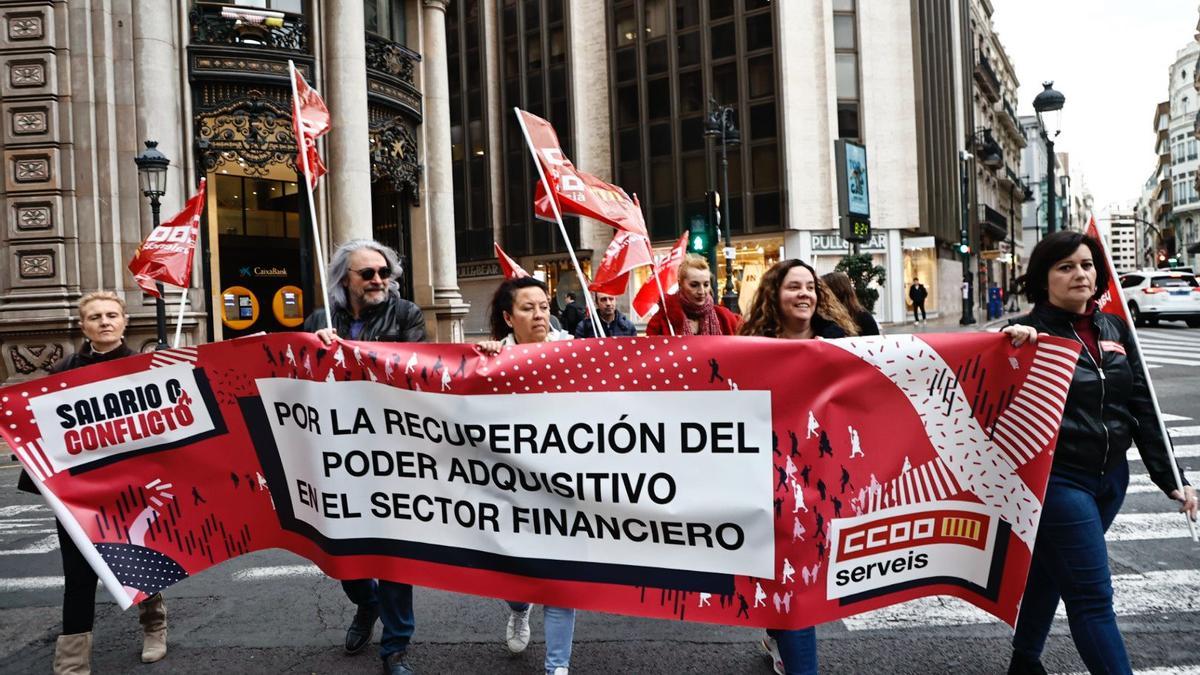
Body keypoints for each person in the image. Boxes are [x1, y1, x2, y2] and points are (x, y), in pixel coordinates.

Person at [1000, 230, 1196, 675]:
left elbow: (1142, 406)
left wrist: (1174, 478)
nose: (1079, 274)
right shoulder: (1027, 336)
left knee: (1052, 571)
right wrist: (1014, 350)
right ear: (1043, 278)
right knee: (1091, 597)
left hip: (1111, 480)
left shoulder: (1115, 328)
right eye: (1065, 267)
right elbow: (990, 395)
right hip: (1057, 482)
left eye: (1086, 265)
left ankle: (1024, 660)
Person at [15, 292, 168, 674]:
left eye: (112, 315)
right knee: (79, 574)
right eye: (96, 316)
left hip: (129, 487)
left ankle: (154, 626)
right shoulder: (64, 370)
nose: (104, 321)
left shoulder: (142, 367)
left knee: (136, 561)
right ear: (83, 326)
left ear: (124, 321)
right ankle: (72, 659)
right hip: (79, 492)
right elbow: (40, 427)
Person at [303, 239, 424, 675]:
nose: (379, 280)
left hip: (390, 452)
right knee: (340, 547)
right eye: (367, 273)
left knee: (392, 551)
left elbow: (415, 372)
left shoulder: (406, 314)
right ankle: (366, 603)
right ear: (344, 280)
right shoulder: (320, 320)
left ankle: (396, 647)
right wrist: (312, 348)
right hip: (336, 453)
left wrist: (355, 357)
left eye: (384, 272)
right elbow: (297, 377)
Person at [736, 259, 856, 675]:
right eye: (793, 287)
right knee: (788, 579)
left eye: (810, 287)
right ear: (775, 294)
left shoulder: (840, 342)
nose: (804, 294)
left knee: (792, 575)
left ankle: (777, 626)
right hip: (764, 475)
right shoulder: (749, 345)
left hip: (819, 476)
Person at [477, 277, 576, 675]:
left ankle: (558, 667)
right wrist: (484, 360)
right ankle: (519, 609)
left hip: (562, 487)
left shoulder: (572, 350)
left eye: (543, 306)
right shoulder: (492, 358)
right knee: (516, 578)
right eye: (527, 308)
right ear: (508, 317)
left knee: (560, 581)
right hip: (510, 489)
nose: (539, 315)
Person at [646, 254, 741, 336]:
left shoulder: (725, 317)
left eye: (706, 284)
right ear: (681, 284)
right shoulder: (661, 320)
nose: (701, 291)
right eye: (694, 285)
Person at [821, 271, 879, 336]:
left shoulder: (863, 317)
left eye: (824, 291)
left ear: (836, 292)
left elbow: (875, 343)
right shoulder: (822, 317)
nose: (821, 295)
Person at [573, 291, 638, 338]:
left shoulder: (629, 327)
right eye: (603, 299)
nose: (608, 303)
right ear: (597, 303)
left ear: (615, 300)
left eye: (611, 299)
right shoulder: (584, 327)